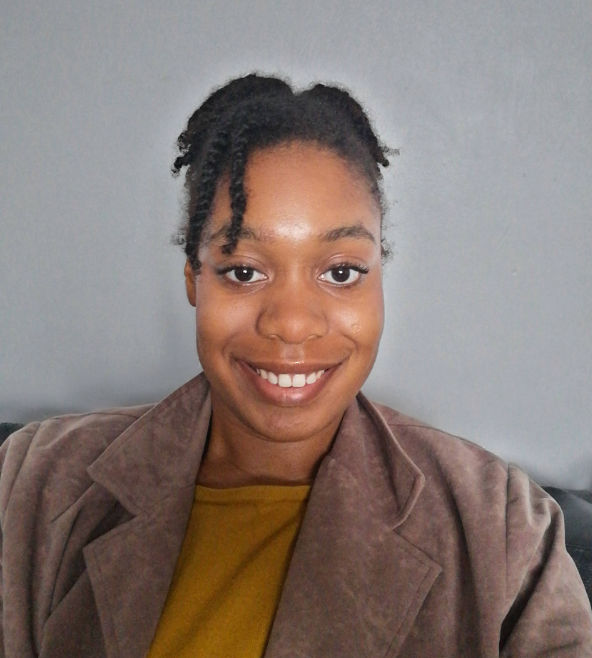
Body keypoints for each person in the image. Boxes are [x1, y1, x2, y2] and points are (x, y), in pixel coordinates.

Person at [0, 73, 590, 658]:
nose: (291, 323)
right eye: (243, 271)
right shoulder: (33, 485)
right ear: (192, 282)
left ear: (379, 281)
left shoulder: (505, 531)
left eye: (340, 272)